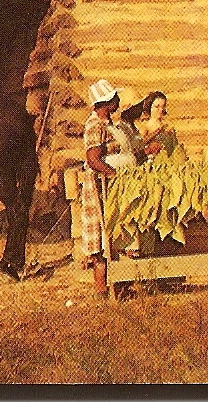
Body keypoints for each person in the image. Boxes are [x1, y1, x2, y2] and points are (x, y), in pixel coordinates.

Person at [79, 79, 120, 295]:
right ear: (105, 102)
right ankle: (101, 288)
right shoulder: (95, 125)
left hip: (109, 184)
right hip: (98, 184)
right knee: (99, 234)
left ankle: (117, 283)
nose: (118, 100)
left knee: (111, 231)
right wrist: (112, 173)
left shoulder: (108, 123)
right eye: (114, 98)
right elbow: (93, 158)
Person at [132, 91, 181, 158]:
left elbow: (176, 147)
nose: (161, 110)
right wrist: (157, 132)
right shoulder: (145, 126)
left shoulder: (168, 126)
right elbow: (137, 146)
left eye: (163, 106)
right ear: (150, 107)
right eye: (157, 107)